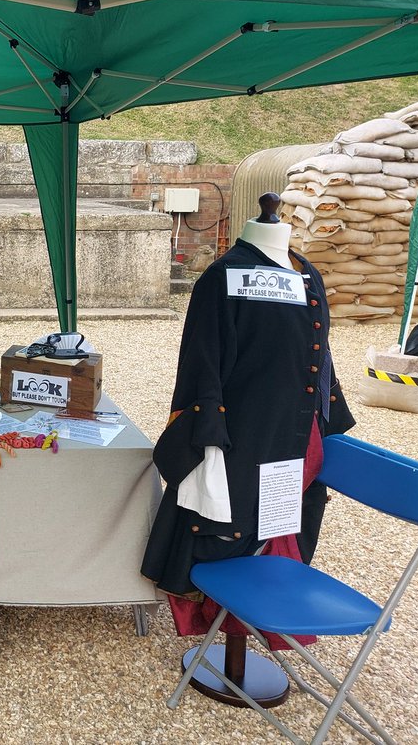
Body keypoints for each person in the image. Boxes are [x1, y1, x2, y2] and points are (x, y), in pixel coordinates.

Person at [142, 193, 355, 605]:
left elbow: (320, 354)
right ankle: (225, 615)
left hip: (296, 431)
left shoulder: (307, 272)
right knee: (233, 522)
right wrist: (206, 433)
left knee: (281, 518)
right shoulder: (224, 276)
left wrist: (330, 417)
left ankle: (264, 605)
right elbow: (200, 363)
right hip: (242, 434)